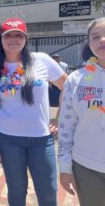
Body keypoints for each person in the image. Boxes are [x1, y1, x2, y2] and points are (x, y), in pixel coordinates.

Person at [0, 18, 68, 206]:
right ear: (1, 39)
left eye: (18, 35)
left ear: (25, 38)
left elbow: (68, 87)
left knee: (47, 192)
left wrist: (58, 118)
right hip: (8, 141)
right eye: (8, 35)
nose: (13, 39)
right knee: (16, 190)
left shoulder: (42, 60)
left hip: (41, 140)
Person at [58, 17, 105, 206]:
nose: (102, 40)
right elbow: (66, 125)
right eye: (96, 36)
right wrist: (65, 167)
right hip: (86, 165)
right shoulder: (76, 79)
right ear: (89, 43)